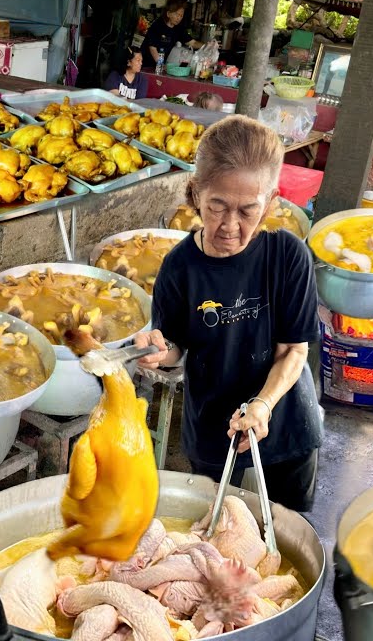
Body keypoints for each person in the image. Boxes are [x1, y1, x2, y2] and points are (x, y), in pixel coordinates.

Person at [133, 116, 323, 513]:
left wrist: (262, 405)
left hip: (287, 422)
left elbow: (293, 350)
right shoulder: (179, 267)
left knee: (284, 534)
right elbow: (174, 348)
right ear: (195, 192)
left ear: (271, 203)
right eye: (217, 206)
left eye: (248, 210)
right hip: (211, 428)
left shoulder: (288, 256)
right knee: (213, 534)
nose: (230, 226)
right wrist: (157, 350)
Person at [142, 0, 200, 70]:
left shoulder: (178, 28)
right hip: (146, 65)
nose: (179, 18)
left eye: (181, 15)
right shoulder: (157, 25)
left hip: (159, 66)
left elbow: (192, 43)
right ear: (168, 14)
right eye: (177, 14)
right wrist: (161, 65)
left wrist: (207, 46)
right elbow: (152, 48)